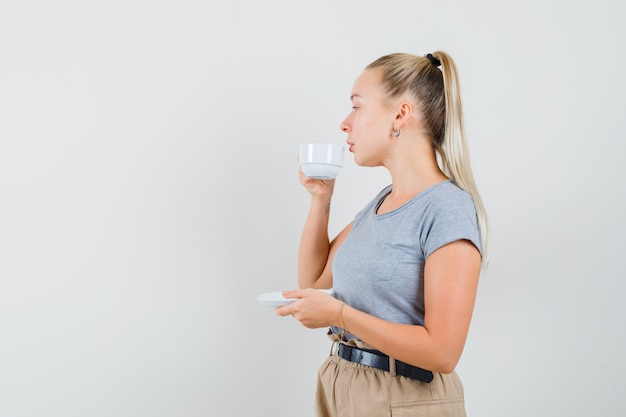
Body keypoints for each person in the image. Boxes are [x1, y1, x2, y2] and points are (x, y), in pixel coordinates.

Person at [276, 51, 490, 417]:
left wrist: (340, 314)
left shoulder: (446, 209)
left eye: (357, 107)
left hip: (402, 398)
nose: (345, 123)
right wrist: (321, 198)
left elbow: (443, 352)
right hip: (342, 387)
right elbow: (312, 279)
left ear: (401, 114)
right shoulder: (380, 204)